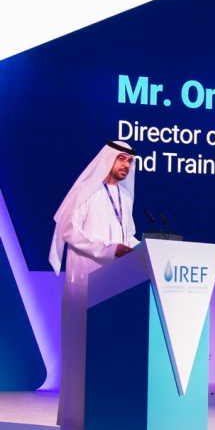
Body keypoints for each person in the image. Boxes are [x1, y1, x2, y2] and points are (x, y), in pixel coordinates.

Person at [48, 141, 140, 430]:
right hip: (86, 280)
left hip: (116, 283)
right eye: (121, 159)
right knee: (82, 347)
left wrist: (144, 247)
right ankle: (76, 419)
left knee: (109, 348)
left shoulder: (125, 198)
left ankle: (105, 416)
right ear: (108, 159)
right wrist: (106, 249)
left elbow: (128, 236)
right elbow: (68, 230)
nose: (126, 165)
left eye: (130, 161)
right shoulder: (86, 191)